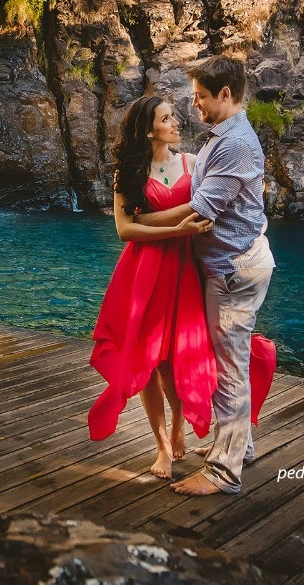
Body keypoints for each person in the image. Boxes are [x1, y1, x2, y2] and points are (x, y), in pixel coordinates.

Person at [132, 55, 276, 496]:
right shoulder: (222, 136)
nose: (194, 105)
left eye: (200, 97)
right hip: (231, 265)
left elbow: (200, 209)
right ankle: (241, 446)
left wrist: (141, 221)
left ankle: (222, 473)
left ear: (226, 95)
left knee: (229, 370)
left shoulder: (235, 143)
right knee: (233, 362)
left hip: (232, 270)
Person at [87, 95, 217, 479]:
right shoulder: (127, 173)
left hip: (185, 269)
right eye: (166, 118)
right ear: (149, 130)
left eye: (174, 117)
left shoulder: (192, 163)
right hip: (144, 271)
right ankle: (161, 444)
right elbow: (125, 229)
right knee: (148, 359)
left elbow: (211, 204)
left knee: (177, 358)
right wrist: (176, 228)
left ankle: (179, 425)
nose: (176, 123)